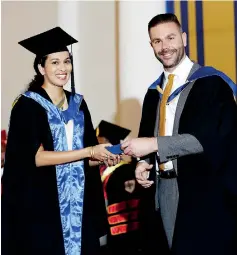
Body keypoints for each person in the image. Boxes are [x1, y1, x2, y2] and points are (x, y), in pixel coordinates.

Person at [121, 13, 237, 255]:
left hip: (203, 194)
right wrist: (142, 163)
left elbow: (207, 139)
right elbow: (147, 139)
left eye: (170, 38)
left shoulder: (212, 84)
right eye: (157, 41)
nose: (165, 47)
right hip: (163, 192)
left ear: (183, 38)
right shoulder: (154, 93)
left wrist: (153, 145)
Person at [1, 27, 119, 255]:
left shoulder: (79, 104)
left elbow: (85, 158)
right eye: (54, 62)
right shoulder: (28, 106)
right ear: (40, 68)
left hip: (79, 203)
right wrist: (88, 152)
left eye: (67, 61)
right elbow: (34, 158)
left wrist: (103, 156)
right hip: (44, 205)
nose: (63, 68)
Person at [97, 121, 142, 255]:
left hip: (123, 238)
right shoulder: (99, 171)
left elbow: (129, 210)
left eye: (99, 141)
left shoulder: (124, 172)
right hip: (107, 236)